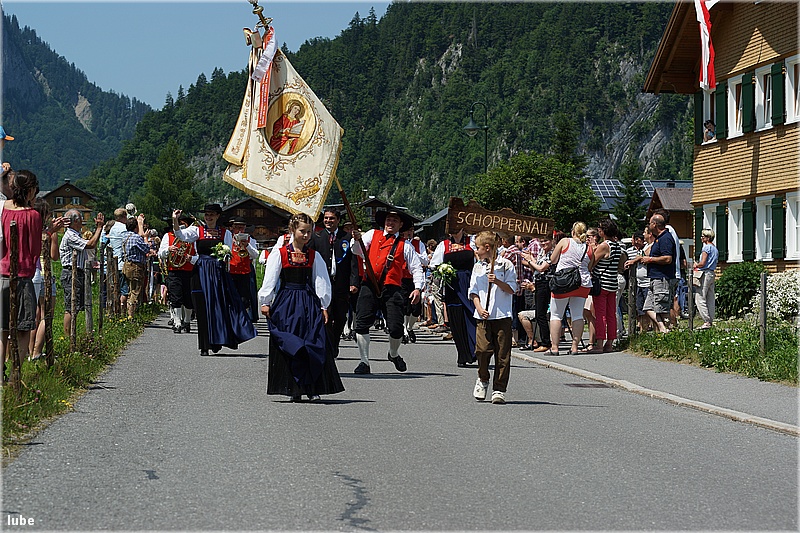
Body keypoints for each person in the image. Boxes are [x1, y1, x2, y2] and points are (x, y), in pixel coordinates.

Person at [259, 213, 344, 401]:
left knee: (311, 342)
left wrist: (323, 305)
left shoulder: (314, 255)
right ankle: (293, 388)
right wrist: (265, 301)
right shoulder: (280, 253)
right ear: (292, 230)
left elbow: (321, 281)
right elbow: (270, 278)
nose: (306, 235)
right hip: (286, 303)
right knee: (290, 344)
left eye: (309, 232)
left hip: (307, 303)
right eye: (302, 231)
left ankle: (312, 388)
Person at [172, 205, 256, 356]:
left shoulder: (225, 233)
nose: (208, 217)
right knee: (202, 309)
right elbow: (180, 235)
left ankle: (217, 340)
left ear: (217, 216)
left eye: (211, 214)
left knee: (218, 307)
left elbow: (228, 252)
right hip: (200, 272)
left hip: (217, 273)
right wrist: (175, 220)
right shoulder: (197, 230)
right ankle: (204, 345)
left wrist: (223, 257)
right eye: (206, 214)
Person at [350, 209, 424, 374]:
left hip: (391, 288)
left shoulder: (405, 245)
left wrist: (418, 288)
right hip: (369, 285)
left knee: (396, 328)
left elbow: (416, 268)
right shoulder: (372, 234)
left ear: (401, 225)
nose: (390, 223)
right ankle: (364, 362)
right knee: (361, 324)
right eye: (388, 220)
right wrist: (356, 240)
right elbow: (357, 251)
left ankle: (393, 353)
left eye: (394, 221)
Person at [1, 170, 43, 367]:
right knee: (24, 328)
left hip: (2, 272)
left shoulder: (3, 210)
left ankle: (0, 375)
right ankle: (16, 373)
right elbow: (35, 249)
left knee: (2, 331)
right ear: (31, 190)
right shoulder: (33, 215)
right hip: (23, 274)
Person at [469, 231, 517, 404]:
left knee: (502, 354)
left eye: (478, 247)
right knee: (482, 350)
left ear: (487, 247)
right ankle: (483, 378)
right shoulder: (478, 267)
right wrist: (479, 308)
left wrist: (497, 281)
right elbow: (473, 291)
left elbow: (512, 289)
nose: (476, 250)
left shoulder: (506, 265)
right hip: (483, 316)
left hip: (502, 315)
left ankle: (499, 389)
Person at [310, 208, 359, 357]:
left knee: (340, 317)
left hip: (341, 284)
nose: (328, 221)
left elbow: (353, 262)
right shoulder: (316, 237)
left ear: (338, 220)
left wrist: (354, 282)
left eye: (331, 218)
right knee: (326, 316)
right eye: (326, 218)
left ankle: (335, 341)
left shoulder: (347, 237)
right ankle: (328, 346)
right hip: (322, 284)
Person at [429, 227, 477, 367]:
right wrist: (443, 270)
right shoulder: (443, 245)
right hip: (452, 285)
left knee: (471, 316)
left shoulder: (471, 242)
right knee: (456, 318)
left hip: (469, 283)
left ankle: (475, 350)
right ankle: (462, 354)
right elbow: (434, 265)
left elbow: (481, 259)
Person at [545, 222, 594, 356]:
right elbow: (590, 266)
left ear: (573, 232)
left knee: (556, 315)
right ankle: (574, 347)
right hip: (582, 283)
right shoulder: (589, 248)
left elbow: (553, 260)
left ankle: (555, 347)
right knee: (577, 315)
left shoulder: (565, 241)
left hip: (563, 282)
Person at [29, 198, 67, 360]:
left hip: (31, 274)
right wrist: (54, 234)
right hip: (45, 274)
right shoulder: (49, 233)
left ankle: (29, 350)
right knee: (47, 314)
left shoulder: (31, 229)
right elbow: (54, 256)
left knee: (34, 316)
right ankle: (37, 351)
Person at [59, 208, 104, 338]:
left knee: (76, 305)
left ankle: (71, 335)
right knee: (71, 306)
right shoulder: (71, 236)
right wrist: (99, 228)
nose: (82, 221)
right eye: (80, 219)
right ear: (75, 221)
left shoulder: (76, 234)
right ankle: (67, 337)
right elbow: (91, 244)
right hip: (71, 273)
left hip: (77, 272)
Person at [587, 219, 624, 353]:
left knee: (600, 314)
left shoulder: (604, 245)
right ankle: (609, 343)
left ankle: (599, 344)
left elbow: (591, 264)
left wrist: (592, 249)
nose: (598, 230)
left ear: (604, 231)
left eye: (600, 228)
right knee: (611, 315)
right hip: (612, 283)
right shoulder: (617, 245)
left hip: (601, 284)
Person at [158, 213, 197, 333]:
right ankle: (177, 322)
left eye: (183, 223)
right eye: (179, 223)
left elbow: (198, 254)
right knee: (175, 296)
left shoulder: (192, 237)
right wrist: (168, 249)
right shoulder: (168, 236)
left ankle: (187, 321)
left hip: (190, 271)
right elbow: (160, 253)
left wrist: (191, 258)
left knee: (189, 298)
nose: (181, 225)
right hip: (174, 271)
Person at [640, 214, 676, 333]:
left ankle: (668, 332)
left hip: (662, 278)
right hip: (654, 278)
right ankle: (663, 329)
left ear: (655, 224)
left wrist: (650, 259)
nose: (649, 225)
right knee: (648, 307)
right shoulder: (658, 238)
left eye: (650, 223)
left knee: (662, 309)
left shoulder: (665, 238)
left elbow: (668, 258)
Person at [526, 232, 560, 352]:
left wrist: (530, 261)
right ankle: (545, 340)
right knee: (539, 313)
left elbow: (541, 268)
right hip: (539, 282)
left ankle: (546, 342)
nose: (543, 243)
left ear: (551, 241)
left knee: (541, 314)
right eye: (541, 241)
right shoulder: (541, 252)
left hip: (547, 283)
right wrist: (530, 259)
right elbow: (535, 268)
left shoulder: (552, 253)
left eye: (546, 241)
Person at [228, 216, 260, 322]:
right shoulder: (228, 238)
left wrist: (247, 246)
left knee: (245, 299)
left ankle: (243, 319)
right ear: (233, 228)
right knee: (231, 297)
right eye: (237, 227)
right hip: (231, 272)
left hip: (244, 272)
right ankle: (232, 319)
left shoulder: (251, 240)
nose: (239, 230)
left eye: (242, 227)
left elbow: (255, 255)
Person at [401, 227, 428, 343]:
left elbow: (425, 261)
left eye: (411, 230)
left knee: (416, 309)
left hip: (415, 279)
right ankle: (404, 330)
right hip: (402, 278)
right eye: (407, 230)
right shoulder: (400, 243)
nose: (408, 232)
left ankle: (409, 327)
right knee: (404, 306)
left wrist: (413, 252)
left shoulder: (419, 244)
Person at [121, 215, 151, 318]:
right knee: (135, 291)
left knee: (127, 290)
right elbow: (146, 249)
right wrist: (145, 238)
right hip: (136, 266)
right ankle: (131, 316)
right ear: (135, 227)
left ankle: (124, 313)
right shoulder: (136, 237)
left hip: (126, 264)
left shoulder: (124, 236)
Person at [694, 229, 718, 329]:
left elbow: (703, 263)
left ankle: (706, 320)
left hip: (705, 273)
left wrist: (696, 264)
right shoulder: (714, 248)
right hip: (712, 273)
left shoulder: (706, 248)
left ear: (707, 238)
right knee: (710, 297)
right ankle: (710, 320)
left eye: (703, 236)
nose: (701, 238)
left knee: (700, 297)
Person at [106, 208, 129, 312]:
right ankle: (122, 310)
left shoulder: (112, 228)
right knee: (124, 290)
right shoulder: (124, 228)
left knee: (115, 288)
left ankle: (114, 310)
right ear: (124, 217)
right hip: (122, 262)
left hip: (113, 261)